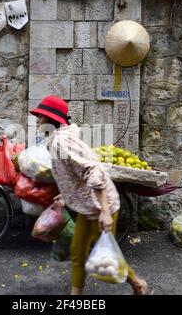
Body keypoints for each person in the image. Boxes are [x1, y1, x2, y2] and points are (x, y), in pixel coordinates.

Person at [30, 95, 152, 295]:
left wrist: (104, 211)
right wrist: (66, 196)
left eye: (40, 117)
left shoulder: (61, 142)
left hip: (99, 204)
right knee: (78, 252)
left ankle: (138, 284)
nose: (37, 120)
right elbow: (72, 173)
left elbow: (92, 171)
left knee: (106, 257)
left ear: (51, 120)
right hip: (86, 205)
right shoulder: (59, 139)